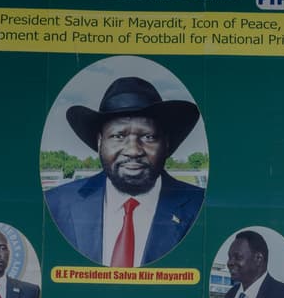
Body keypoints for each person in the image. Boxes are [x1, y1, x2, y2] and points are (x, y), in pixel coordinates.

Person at [45, 76, 204, 267]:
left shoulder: (202, 208)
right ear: (99, 142)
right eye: (118, 136)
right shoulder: (55, 204)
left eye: (148, 136)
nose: (133, 150)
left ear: (166, 144)